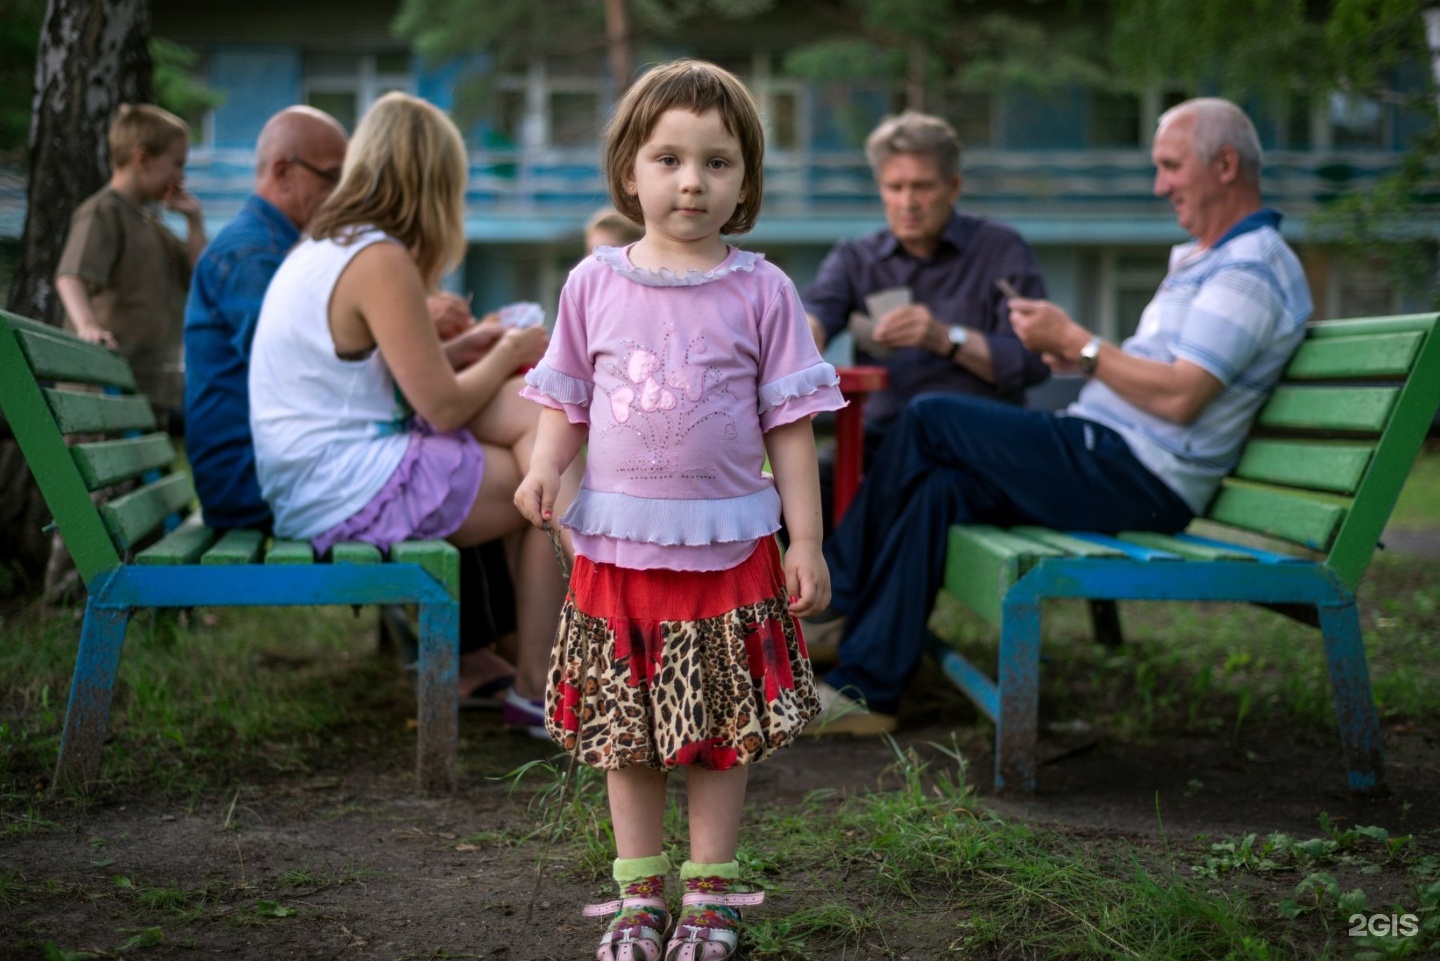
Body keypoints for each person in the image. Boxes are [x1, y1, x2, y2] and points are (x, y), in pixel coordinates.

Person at [807, 97, 1314, 736]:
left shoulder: (1248, 269)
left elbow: (1183, 397)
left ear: (1225, 165)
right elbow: (1163, 375)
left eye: (1169, 167)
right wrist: (1090, 359)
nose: (1159, 186)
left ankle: (837, 595)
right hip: (1110, 451)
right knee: (936, 487)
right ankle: (865, 690)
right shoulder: (1204, 261)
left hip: (1139, 473)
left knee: (929, 418)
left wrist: (1080, 345)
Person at [514, 60, 844, 961]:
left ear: (745, 181)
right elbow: (566, 397)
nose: (692, 180)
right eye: (668, 158)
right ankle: (636, 898)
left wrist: (804, 538)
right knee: (628, 731)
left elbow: (791, 425)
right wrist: (547, 465)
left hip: (730, 549)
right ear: (630, 170)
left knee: (716, 730)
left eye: (717, 163)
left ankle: (710, 896)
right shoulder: (593, 282)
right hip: (618, 548)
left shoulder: (764, 291)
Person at [246, 92, 583, 736]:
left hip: (318, 475)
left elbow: (366, 379)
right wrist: (511, 346)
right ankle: (579, 649)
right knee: (542, 466)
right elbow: (443, 406)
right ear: (432, 184)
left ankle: (549, 673)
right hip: (341, 485)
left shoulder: (329, 246)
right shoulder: (380, 258)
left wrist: (462, 347)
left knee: (539, 444)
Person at [182, 105, 516, 708]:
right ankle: (499, 657)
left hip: (285, 465)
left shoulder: (297, 246)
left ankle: (492, 653)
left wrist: (429, 334)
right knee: (489, 473)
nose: (344, 188)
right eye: (333, 174)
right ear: (284, 170)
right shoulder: (257, 253)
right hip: (255, 479)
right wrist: (418, 327)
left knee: (466, 463)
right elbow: (311, 370)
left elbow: (340, 365)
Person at [801, 110, 1051, 525]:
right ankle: (831, 592)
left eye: (922, 187)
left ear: (953, 187)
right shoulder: (856, 258)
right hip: (883, 440)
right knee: (803, 491)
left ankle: (856, 589)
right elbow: (816, 313)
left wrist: (943, 337)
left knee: (915, 494)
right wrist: (804, 339)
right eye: (894, 187)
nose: (908, 202)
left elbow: (1031, 361)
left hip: (976, 443)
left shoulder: (1000, 249)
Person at [56, 103, 207, 421]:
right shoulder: (104, 212)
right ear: (143, 159)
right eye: (177, 164)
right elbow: (71, 277)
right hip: (102, 389)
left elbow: (198, 275)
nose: (181, 176)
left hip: (145, 386)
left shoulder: (152, 226)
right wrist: (88, 327)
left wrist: (194, 220)